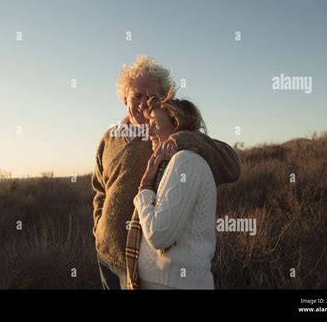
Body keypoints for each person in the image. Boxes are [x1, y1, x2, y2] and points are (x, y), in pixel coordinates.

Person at [92, 55, 240, 289]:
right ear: (124, 98)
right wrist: (99, 226)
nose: (142, 104)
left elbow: (231, 165)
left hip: (141, 266)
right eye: (136, 96)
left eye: (152, 98)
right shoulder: (109, 138)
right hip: (105, 255)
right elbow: (100, 189)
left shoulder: (165, 132)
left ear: (165, 100)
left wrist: (179, 138)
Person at [128, 92, 217, 289]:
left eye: (154, 123)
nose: (148, 130)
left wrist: (144, 188)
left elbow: (158, 235)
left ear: (176, 124)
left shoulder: (185, 160)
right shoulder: (173, 163)